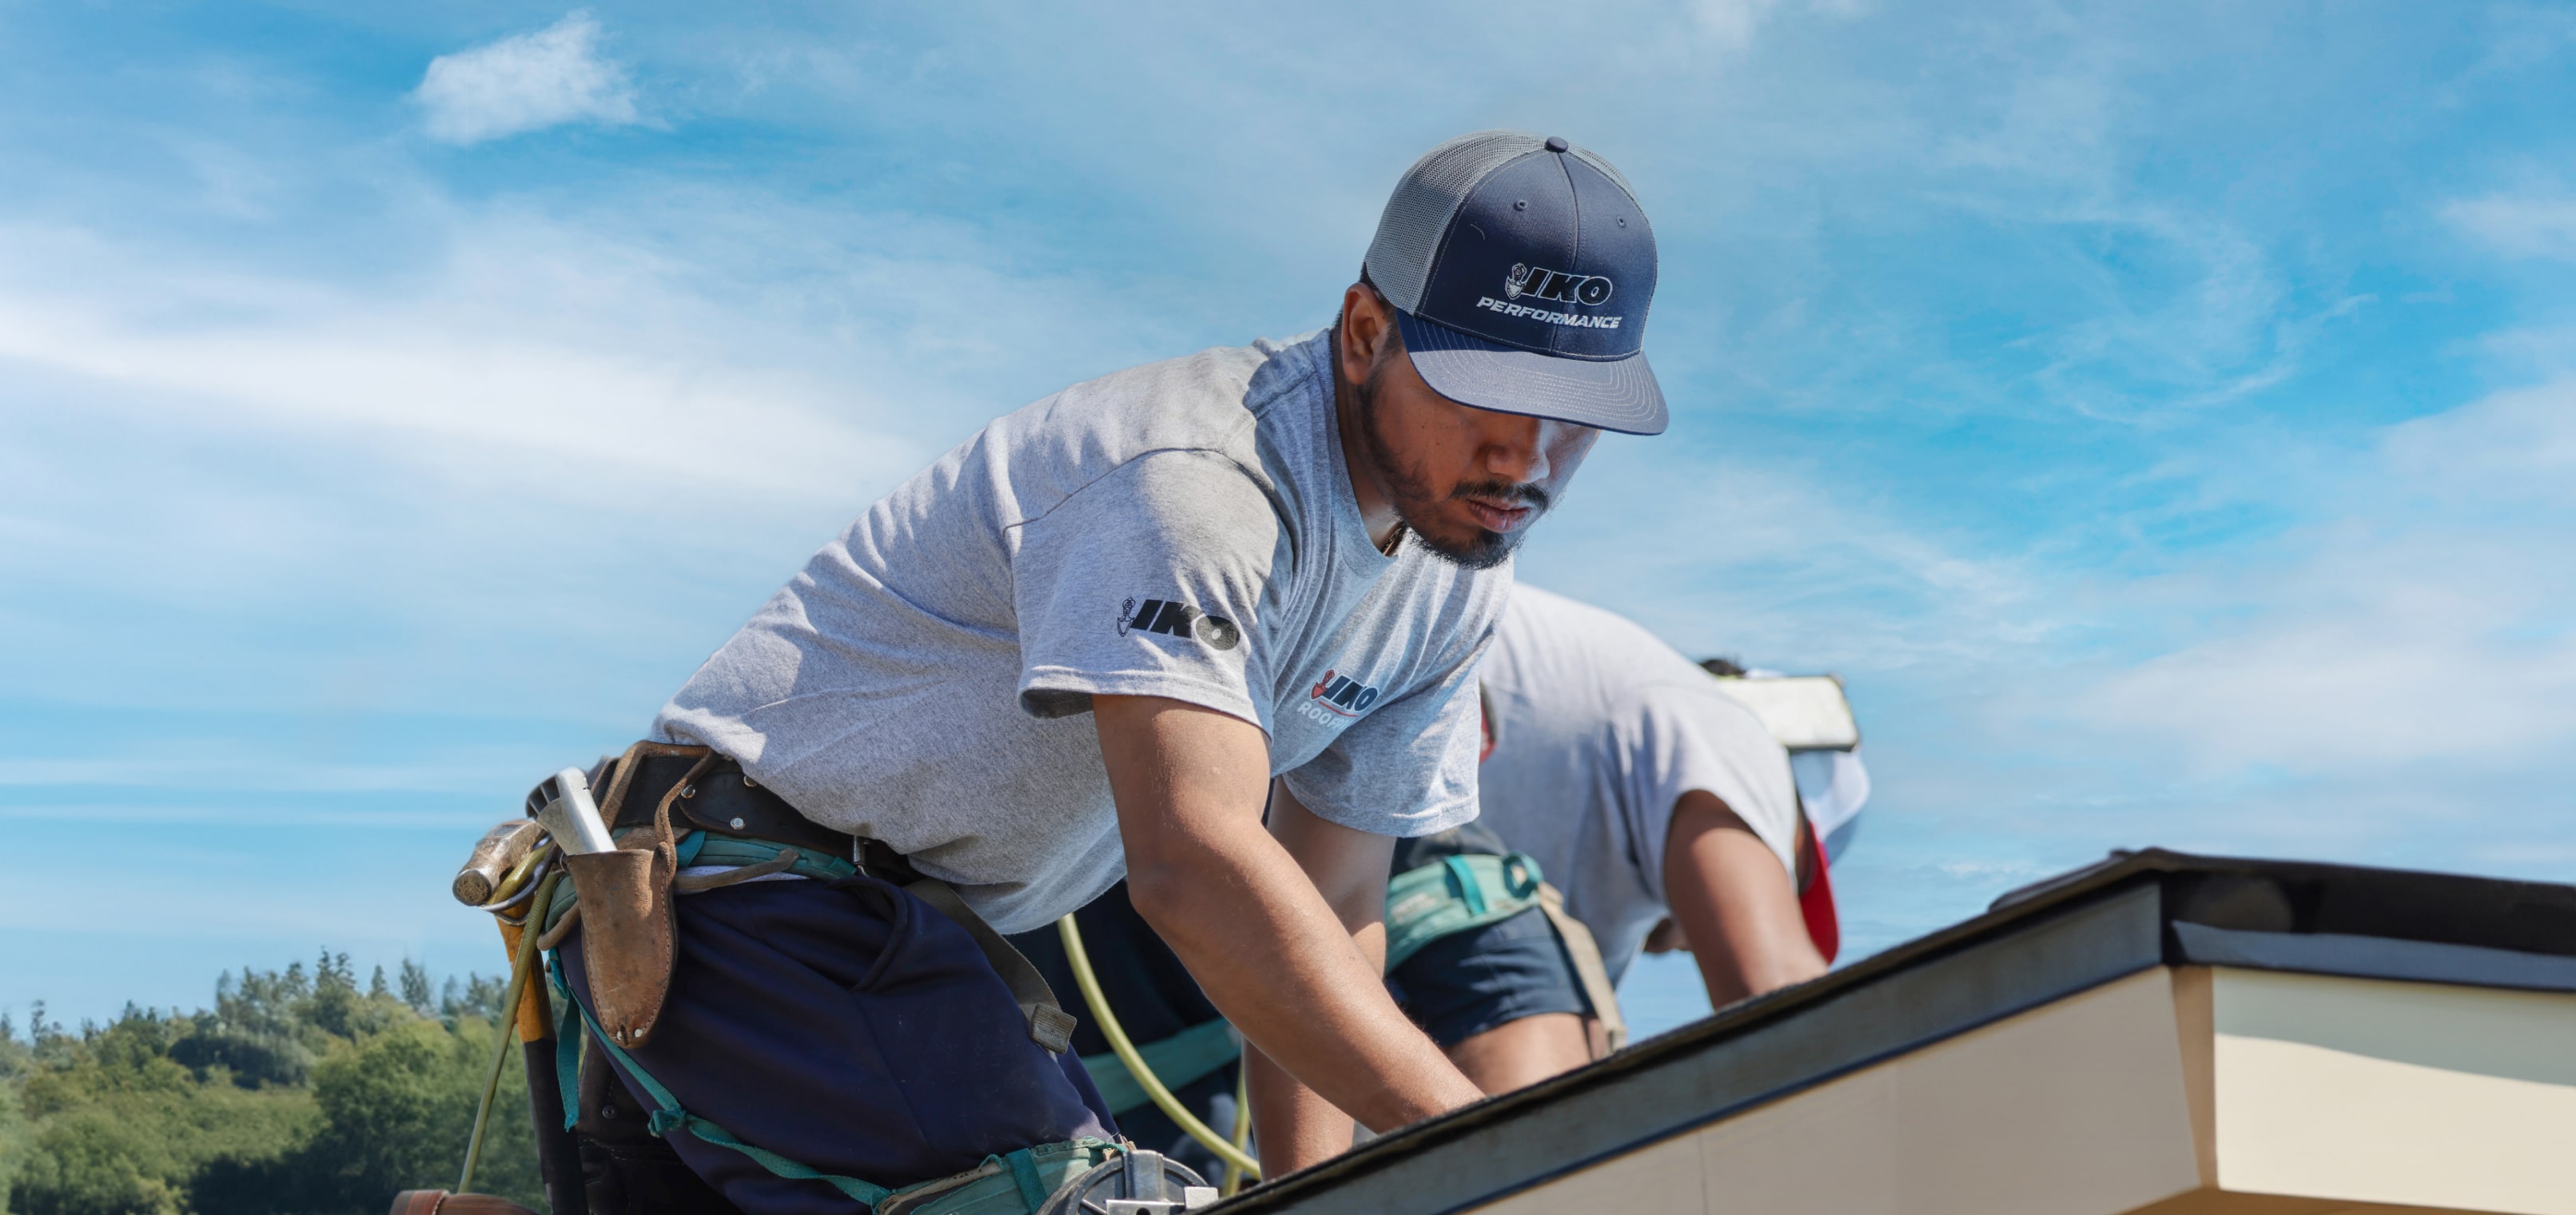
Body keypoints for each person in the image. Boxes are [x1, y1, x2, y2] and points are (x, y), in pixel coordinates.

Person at [544, 129, 1674, 1213]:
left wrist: (1313, 1192)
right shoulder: (1198, 483)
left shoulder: (1457, 567)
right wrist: (1507, 1151)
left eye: (1572, 420)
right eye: (1485, 397)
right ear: (1366, 333)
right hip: (754, 898)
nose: (1524, 461)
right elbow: (1196, 865)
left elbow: (1328, 908)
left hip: (923, 945)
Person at [1395, 584, 1867, 1094]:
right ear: (1783, 821)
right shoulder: (1734, 737)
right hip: (1371, 719)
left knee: (1578, 1039)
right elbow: (1780, 1007)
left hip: (1358, 781)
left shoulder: (1602, 862)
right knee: (1537, 1026)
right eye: (1783, 879)